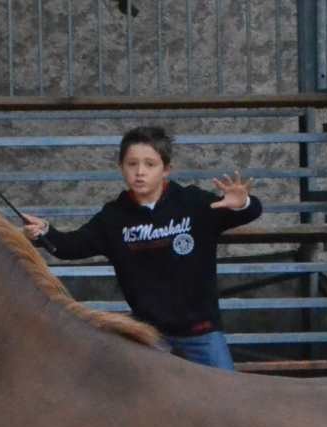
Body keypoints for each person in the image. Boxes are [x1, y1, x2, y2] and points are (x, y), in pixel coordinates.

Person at [21, 126, 261, 370]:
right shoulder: (113, 217)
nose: (140, 172)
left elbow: (250, 212)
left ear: (166, 169)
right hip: (148, 336)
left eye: (150, 164)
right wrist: (45, 232)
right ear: (120, 168)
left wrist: (242, 203)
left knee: (222, 397)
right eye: (132, 164)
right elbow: (71, 246)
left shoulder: (194, 203)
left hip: (201, 332)